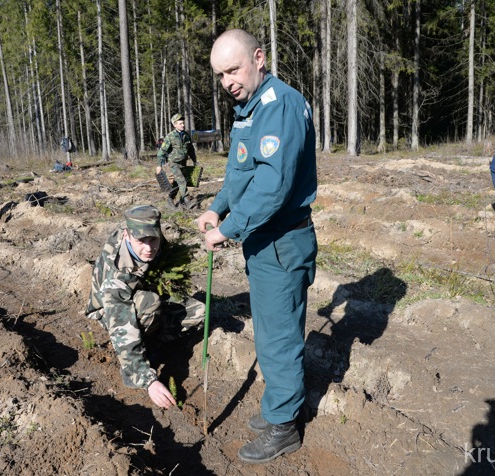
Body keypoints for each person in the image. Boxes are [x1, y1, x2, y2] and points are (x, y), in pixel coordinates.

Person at [197, 29, 318, 464]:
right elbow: (241, 173)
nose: (228, 80)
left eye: (233, 69)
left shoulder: (279, 105)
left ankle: (284, 427)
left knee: (279, 338)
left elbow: (272, 185)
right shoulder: (249, 109)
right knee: (270, 332)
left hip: (281, 240)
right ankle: (280, 409)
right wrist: (217, 208)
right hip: (263, 239)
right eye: (220, 74)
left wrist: (228, 229)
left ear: (259, 58)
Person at [85, 204, 205, 408]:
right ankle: (140, 359)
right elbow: (122, 328)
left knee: (198, 311)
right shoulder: (117, 275)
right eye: (141, 241)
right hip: (109, 311)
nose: (148, 248)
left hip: (142, 295)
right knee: (150, 304)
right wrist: (148, 380)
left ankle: (154, 342)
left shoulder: (150, 240)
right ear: (127, 235)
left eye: (153, 239)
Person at [157, 113, 197, 208]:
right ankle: (187, 200)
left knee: (177, 183)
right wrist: (159, 165)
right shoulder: (170, 136)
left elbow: (191, 149)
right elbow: (161, 152)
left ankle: (170, 199)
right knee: (182, 181)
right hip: (174, 163)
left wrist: (195, 160)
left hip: (183, 162)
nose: (182, 125)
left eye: (183, 123)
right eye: (180, 123)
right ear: (174, 125)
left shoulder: (186, 135)